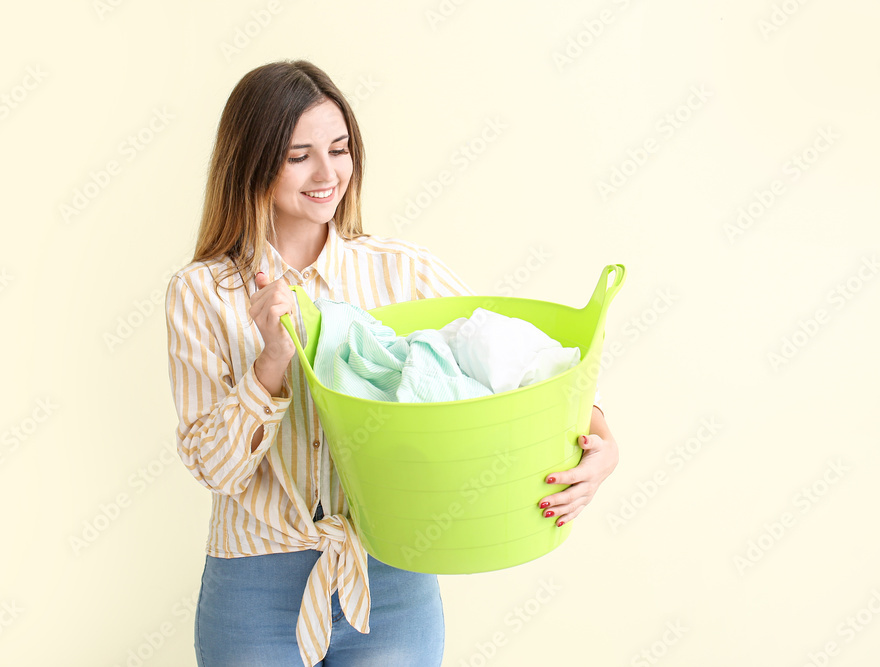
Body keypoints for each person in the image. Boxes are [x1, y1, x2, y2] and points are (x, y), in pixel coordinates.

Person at [163, 59, 620, 667]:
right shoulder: (200, 293)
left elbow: (500, 376)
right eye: (299, 155)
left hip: (391, 578)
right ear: (250, 162)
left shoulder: (403, 271)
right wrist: (271, 362)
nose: (328, 174)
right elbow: (214, 469)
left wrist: (602, 440)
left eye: (340, 148)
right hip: (253, 583)